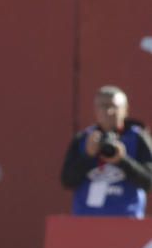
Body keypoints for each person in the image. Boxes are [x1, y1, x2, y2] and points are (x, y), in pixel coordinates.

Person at [60, 85, 152, 218]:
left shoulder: (139, 138)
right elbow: (67, 181)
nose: (108, 111)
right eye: (103, 106)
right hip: (86, 221)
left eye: (114, 106)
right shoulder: (84, 139)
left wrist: (122, 160)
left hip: (127, 221)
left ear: (125, 110)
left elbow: (149, 182)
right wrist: (88, 156)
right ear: (95, 110)